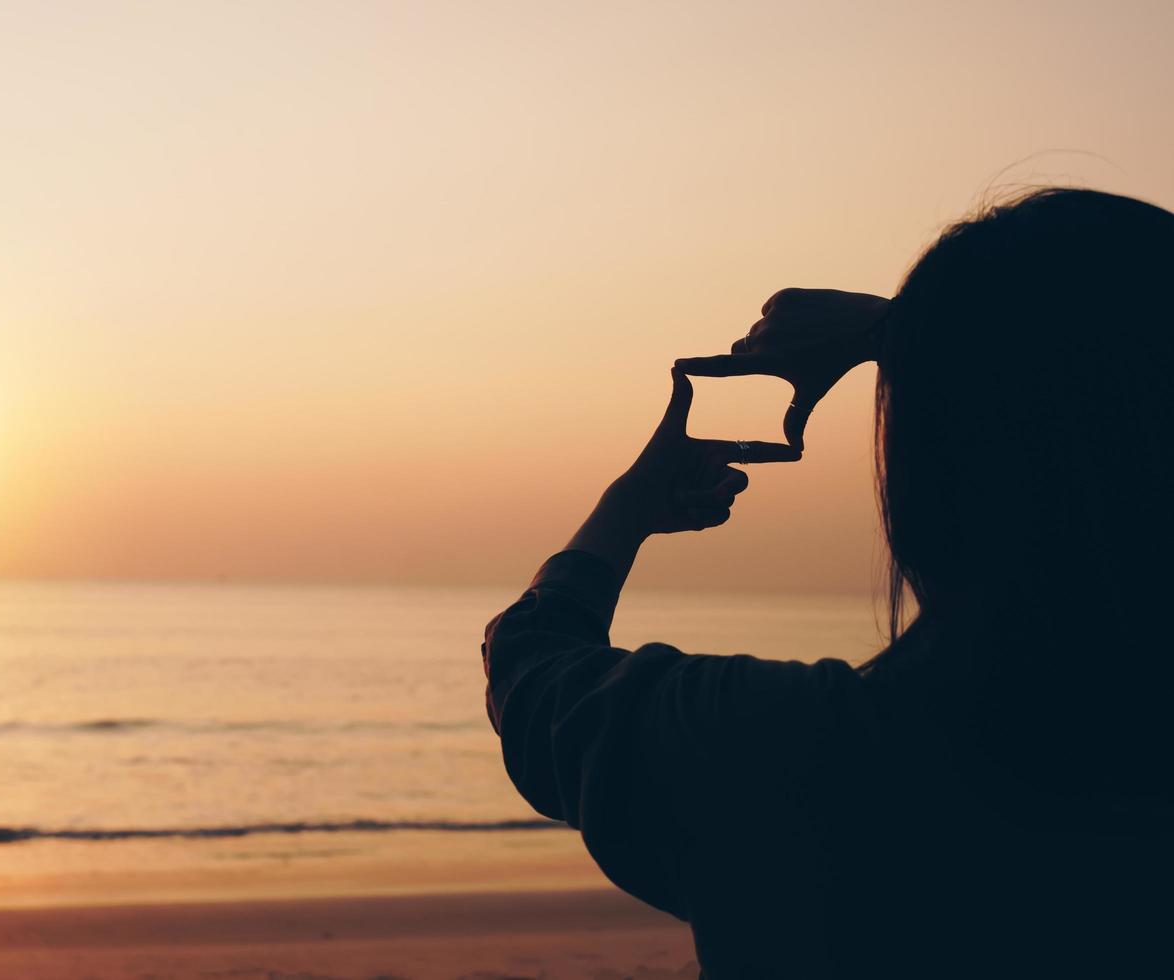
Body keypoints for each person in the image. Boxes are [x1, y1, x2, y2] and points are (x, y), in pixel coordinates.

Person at [481, 187, 1174, 979]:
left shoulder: (774, 754)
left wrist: (628, 507)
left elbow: (533, 668)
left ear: (928, 483)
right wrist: (904, 329)